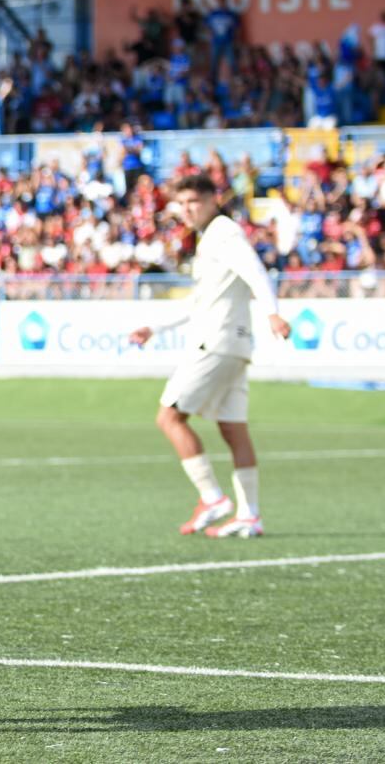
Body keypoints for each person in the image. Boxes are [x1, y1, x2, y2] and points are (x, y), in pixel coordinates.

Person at [129, 174, 291, 538]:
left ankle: (212, 497)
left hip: (215, 343)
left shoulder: (223, 233)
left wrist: (273, 313)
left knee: (169, 417)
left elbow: (256, 272)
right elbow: (202, 301)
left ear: (213, 200)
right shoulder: (212, 237)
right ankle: (249, 515)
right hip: (235, 346)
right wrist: (155, 328)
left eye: (194, 202)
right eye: (182, 203)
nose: (187, 210)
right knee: (234, 429)